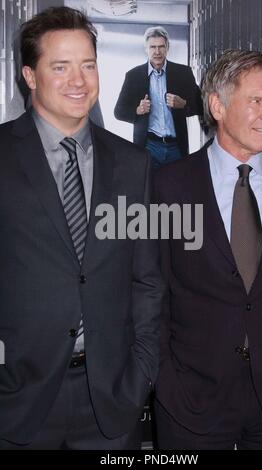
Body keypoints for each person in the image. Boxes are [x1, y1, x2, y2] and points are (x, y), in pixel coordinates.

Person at [0, 6, 163, 450]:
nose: (79, 80)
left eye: (88, 65)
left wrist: (139, 374)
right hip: (17, 401)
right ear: (30, 76)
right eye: (61, 67)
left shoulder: (134, 165)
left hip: (111, 402)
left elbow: (147, 280)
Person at [154, 50, 262, 450]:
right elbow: (151, 292)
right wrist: (165, 379)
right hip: (192, 401)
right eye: (256, 101)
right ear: (217, 105)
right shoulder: (168, 187)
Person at [114, 26, 202, 169]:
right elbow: (119, 112)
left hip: (176, 147)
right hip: (148, 146)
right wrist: (137, 110)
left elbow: (202, 105)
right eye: (153, 47)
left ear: (167, 47)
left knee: (176, 190)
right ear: (146, 49)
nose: (157, 52)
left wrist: (184, 104)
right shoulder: (133, 75)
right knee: (150, 190)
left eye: (161, 47)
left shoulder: (183, 73)